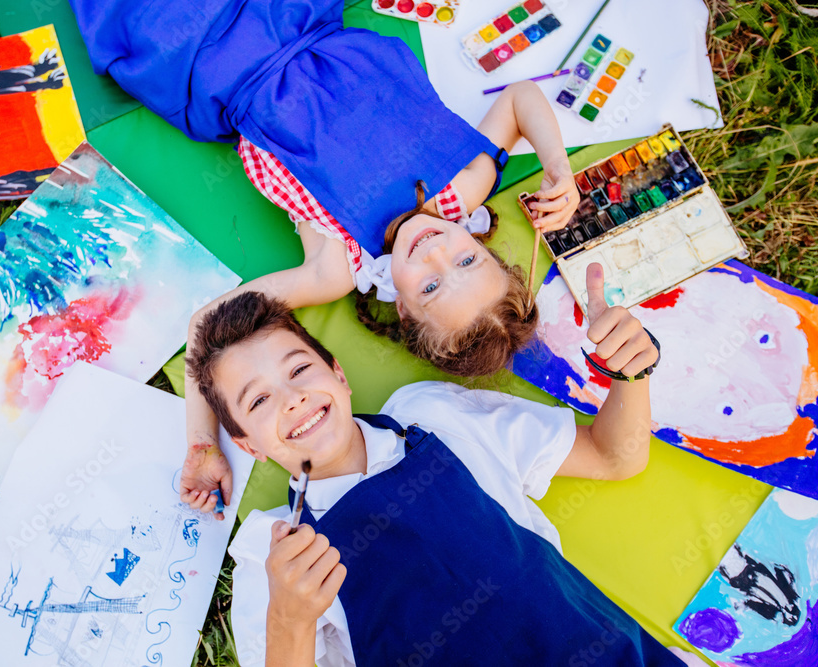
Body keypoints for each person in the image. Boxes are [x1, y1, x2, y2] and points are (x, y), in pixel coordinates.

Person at [67, 0, 579, 512]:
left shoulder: (338, 267)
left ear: (402, 309)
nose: (437, 252)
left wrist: (202, 443)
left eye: (429, 287)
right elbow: (519, 99)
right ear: (483, 246)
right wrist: (557, 166)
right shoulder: (465, 188)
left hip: (203, 56)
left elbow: (207, 322)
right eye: (468, 261)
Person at [185, 277, 705, 666]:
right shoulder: (269, 558)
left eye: (299, 370)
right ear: (246, 444)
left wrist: (632, 371)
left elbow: (614, 456)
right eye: (258, 400)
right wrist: (290, 621)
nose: (293, 399)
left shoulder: (435, 415)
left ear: (339, 375)